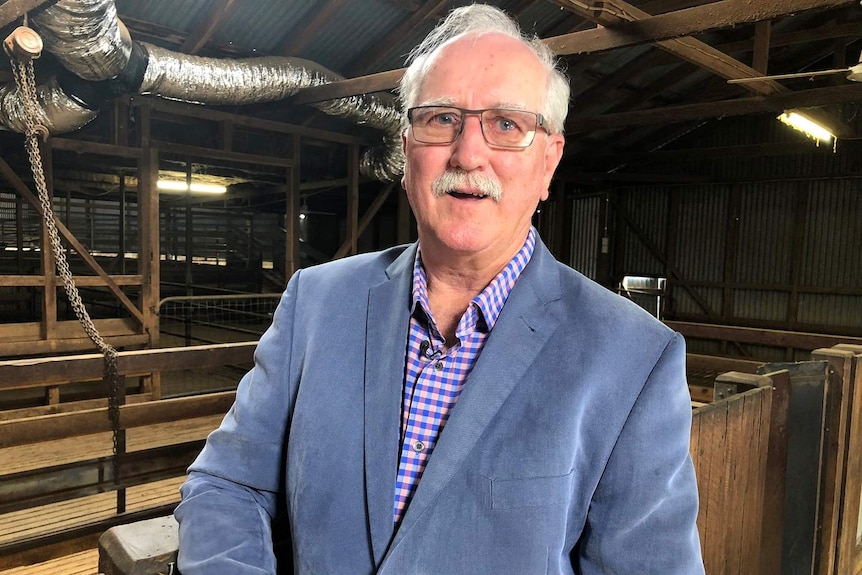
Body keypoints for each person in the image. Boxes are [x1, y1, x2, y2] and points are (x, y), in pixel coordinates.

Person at [175, 4, 705, 574]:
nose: (469, 154)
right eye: (441, 119)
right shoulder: (318, 302)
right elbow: (228, 483)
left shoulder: (633, 357)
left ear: (549, 162)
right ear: (405, 151)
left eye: (507, 125)